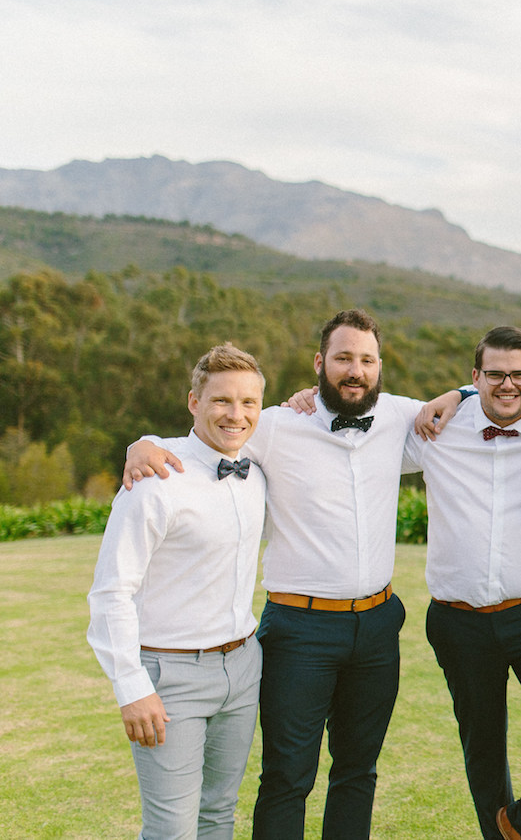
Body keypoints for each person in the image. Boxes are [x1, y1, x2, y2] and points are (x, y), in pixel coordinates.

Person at [122, 309, 428, 840]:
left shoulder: (400, 417)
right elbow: (203, 438)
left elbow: (479, 404)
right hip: (298, 630)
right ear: (319, 363)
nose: (355, 370)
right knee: (288, 775)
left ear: (379, 367)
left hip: (378, 626)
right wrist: (142, 443)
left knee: (358, 771)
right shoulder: (274, 425)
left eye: (367, 360)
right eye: (343, 359)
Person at [409, 326, 521, 840]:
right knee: (483, 745)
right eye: (494, 374)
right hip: (456, 620)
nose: (506, 384)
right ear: (475, 376)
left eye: (518, 374)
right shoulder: (433, 428)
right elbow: (361, 415)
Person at [88, 343, 267, 839]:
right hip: (170, 677)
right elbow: (110, 592)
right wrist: (131, 687)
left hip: (242, 667)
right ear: (193, 402)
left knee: (219, 815)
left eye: (248, 403)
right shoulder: (154, 480)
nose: (236, 414)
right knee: (171, 830)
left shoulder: (255, 468)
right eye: (221, 401)